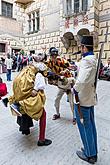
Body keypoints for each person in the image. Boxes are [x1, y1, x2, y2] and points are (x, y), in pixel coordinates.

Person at [2, 56, 52, 146]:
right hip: (30, 96)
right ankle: (41, 139)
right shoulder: (39, 73)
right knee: (42, 114)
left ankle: (12, 101)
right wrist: (36, 89)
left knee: (25, 111)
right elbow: (40, 86)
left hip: (21, 93)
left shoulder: (28, 69)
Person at [73, 36, 98, 164]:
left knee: (85, 126)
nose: (80, 49)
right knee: (91, 126)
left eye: (81, 47)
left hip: (83, 99)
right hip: (89, 97)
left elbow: (82, 80)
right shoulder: (92, 58)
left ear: (84, 47)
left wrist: (75, 89)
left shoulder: (86, 60)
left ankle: (89, 155)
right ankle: (92, 149)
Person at [46, 47, 76, 124]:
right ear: (50, 55)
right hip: (61, 84)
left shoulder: (61, 60)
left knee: (71, 102)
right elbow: (45, 70)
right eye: (53, 55)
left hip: (68, 82)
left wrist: (65, 70)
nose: (54, 57)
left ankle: (75, 117)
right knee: (56, 100)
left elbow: (72, 67)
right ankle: (57, 114)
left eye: (55, 56)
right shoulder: (48, 62)